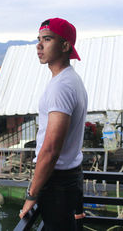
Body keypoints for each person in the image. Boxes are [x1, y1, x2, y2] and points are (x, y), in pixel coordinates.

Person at [19, 18, 88, 230]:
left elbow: (50, 150)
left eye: (47, 39)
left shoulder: (61, 86)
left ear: (65, 45)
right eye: (38, 39)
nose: (39, 46)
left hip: (57, 182)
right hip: (70, 176)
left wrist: (32, 194)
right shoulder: (71, 79)